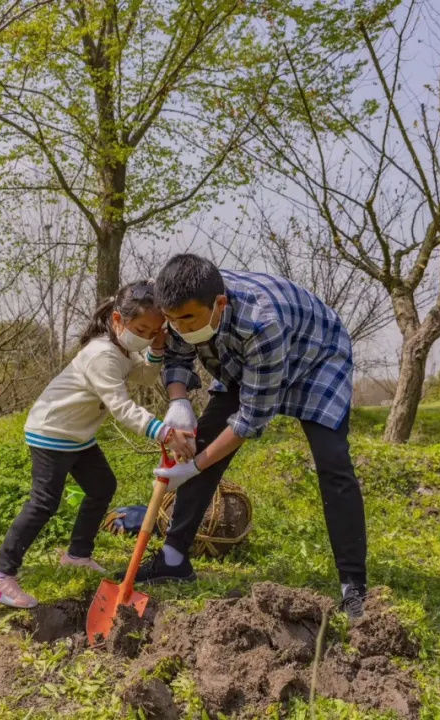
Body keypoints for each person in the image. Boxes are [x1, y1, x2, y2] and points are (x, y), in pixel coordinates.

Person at [134, 254, 369, 619]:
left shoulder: (263, 323)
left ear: (220, 304)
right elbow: (177, 358)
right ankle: (174, 559)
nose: (178, 327)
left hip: (316, 354)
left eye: (188, 320)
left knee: (333, 461)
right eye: (172, 320)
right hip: (242, 357)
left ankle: (353, 584)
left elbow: (251, 419)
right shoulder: (177, 303)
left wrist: (195, 466)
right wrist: (179, 401)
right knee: (206, 436)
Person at [0, 281, 193, 609]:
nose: (146, 335)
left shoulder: (123, 350)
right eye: (141, 329)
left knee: (102, 486)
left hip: (76, 436)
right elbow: (121, 407)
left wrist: (156, 350)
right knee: (44, 502)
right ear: (118, 320)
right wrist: (164, 432)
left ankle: (78, 554)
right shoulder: (102, 353)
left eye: (153, 330)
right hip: (52, 432)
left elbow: (144, 376)